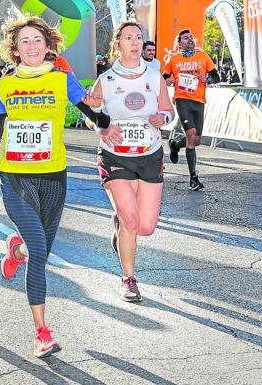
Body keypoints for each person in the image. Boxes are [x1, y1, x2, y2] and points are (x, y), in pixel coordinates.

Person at [0, 15, 110, 358]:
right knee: (39, 250)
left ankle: (15, 251)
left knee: (39, 253)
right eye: (24, 41)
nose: (32, 46)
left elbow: (93, 116)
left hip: (54, 176)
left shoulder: (61, 80)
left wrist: (111, 124)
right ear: (15, 50)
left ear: (48, 46)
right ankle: (42, 331)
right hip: (15, 176)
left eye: (38, 40)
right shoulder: (4, 87)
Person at [87, 22, 174, 302]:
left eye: (138, 37)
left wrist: (164, 119)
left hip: (149, 154)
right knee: (132, 220)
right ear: (117, 45)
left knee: (145, 226)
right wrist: (103, 128)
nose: (135, 42)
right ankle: (128, 279)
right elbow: (91, 116)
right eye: (128, 38)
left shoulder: (154, 75)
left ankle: (121, 224)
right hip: (115, 156)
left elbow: (169, 110)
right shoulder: (107, 80)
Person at [164, 29, 220, 190]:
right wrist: (167, 81)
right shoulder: (173, 59)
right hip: (182, 100)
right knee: (191, 135)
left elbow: (216, 77)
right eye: (186, 38)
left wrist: (207, 78)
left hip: (199, 101)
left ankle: (175, 145)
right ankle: (193, 178)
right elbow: (164, 77)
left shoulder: (203, 56)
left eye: (191, 38)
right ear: (179, 43)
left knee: (196, 140)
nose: (190, 40)